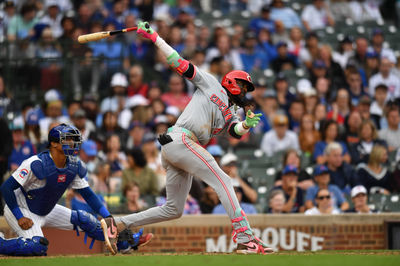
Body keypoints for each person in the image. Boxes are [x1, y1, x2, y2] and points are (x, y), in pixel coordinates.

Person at [100, 21, 273, 255]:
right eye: (244, 86)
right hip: (181, 139)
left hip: (179, 147)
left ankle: (118, 223)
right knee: (224, 180)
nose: (245, 92)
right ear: (232, 82)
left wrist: (245, 125)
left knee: (173, 209)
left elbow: (234, 131)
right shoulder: (212, 83)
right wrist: (156, 38)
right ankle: (244, 237)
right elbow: (179, 64)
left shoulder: (231, 112)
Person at [0, 124, 148, 256]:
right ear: (53, 143)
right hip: (23, 208)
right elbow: (6, 188)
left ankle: (124, 243)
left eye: (73, 139)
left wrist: (107, 216)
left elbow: (88, 194)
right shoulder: (35, 163)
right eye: (66, 139)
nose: (72, 143)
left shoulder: (74, 165)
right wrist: (19, 216)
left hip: (47, 208)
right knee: (37, 247)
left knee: (85, 220)